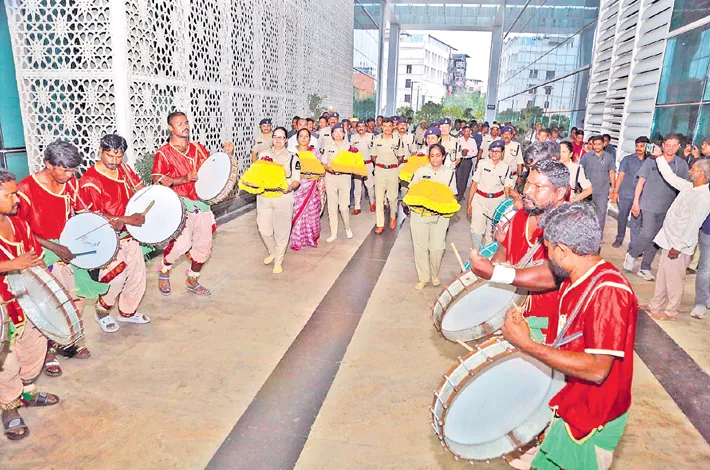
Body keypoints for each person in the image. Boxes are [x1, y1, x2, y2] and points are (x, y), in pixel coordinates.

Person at [502, 202, 637, 470]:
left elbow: (597, 370)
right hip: (569, 403)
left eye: (549, 249)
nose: (547, 256)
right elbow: (565, 343)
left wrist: (526, 345)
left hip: (592, 417)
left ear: (563, 250)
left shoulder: (608, 292)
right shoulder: (572, 280)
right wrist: (528, 332)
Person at [468, 158, 569, 342]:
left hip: (549, 325)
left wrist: (496, 273)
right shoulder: (522, 216)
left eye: (538, 187)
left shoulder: (568, 225)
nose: (527, 191)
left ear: (560, 192)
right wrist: (486, 278)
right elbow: (503, 252)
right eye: (527, 183)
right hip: (512, 315)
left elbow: (553, 274)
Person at [17, 140, 92, 377]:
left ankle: (66, 341)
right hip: (40, 252)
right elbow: (20, 231)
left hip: (66, 248)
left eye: (73, 171)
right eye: (65, 170)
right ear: (49, 164)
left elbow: (78, 214)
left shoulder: (70, 184)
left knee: (75, 297)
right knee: (51, 303)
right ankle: (48, 352)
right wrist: (54, 247)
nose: (70, 175)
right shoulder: (25, 189)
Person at [0, 168, 61, 441]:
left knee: (34, 351)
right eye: (10, 195)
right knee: (6, 362)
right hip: (2, 309)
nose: (17, 199)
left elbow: (34, 258)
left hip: (28, 302)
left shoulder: (20, 225)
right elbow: (18, 262)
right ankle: (9, 408)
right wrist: (12, 264)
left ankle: (26, 393)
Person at [153, 111, 235, 296]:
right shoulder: (163, 153)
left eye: (186, 122)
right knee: (181, 244)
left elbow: (211, 170)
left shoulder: (198, 148)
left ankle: (192, 279)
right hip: (179, 204)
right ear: (170, 128)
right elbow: (158, 181)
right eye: (180, 123)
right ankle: (165, 269)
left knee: (204, 246)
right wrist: (183, 179)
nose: (185, 126)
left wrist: (227, 155)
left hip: (201, 203)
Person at [78, 134, 150, 332]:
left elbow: (140, 190)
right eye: (110, 156)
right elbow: (93, 217)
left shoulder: (124, 169)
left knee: (137, 275)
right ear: (100, 151)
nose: (114, 161)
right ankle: (102, 311)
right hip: (107, 237)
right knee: (115, 277)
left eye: (119, 156)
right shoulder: (90, 181)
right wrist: (126, 219)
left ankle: (128, 313)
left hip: (130, 233)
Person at [643, 150, 710, 321]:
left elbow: (693, 225)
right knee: (662, 276)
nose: (690, 171)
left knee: (674, 280)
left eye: (693, 169)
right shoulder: (690, 187)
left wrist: (678, 247)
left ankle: (671, 312)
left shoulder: (703, 197)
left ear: (701, 173)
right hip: (669, 240)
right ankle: (655, 305)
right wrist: (659, 157)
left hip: (679, 246)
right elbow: (670, 177)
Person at [624, 134, 689, 281]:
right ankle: (632, 254)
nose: (670, 148)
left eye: (674, 145)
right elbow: (640, 182)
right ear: (663, 145)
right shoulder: (651, 160)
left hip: (667, 207)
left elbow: (683, 188)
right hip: (648, 204)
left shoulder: (681, 165)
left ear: (679, 147)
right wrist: (636, 202)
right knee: (647, 233)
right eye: (668, 145)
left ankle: (645, 267)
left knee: (657, 239)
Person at [409, 144, 457, 290]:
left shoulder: (450, 173)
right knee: (420, 248)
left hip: (440, 217)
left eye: (438, 155)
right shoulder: (421, 171)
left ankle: (434, 274)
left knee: (437, 248)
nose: (435, 159)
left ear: (443, 156)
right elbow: (411, 190)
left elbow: (453, 195)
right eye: (432, 156)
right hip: (420, 215)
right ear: (428, 157)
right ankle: (423, 278)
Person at [255, 127, 300, 274]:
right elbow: (256, 174)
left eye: (281, 137)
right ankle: (272, 251)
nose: (278, 140)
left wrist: (289, 188)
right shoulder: (263, 155)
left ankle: (278, 261)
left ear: (286, 140)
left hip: (283, 197)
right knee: (264, 229)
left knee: (282, 232)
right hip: (264, 197)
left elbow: (296, 180)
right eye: (275, 137)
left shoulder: (293, 157)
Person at [467, 140, 514, 247]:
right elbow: (474, 184)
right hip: (480, 200)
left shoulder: (506, 168)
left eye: (497, 151)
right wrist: (469, 203)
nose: (494, 154)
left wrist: (506, 208)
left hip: (496, 202)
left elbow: (507, 189)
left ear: (502, 153)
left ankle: (486, 254)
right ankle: (476, 251)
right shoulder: (482, 164)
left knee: (491, 232)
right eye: (492, 151)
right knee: (476, 230)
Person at [290, 129, 322, 251]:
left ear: (309, 138)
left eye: (306, 136)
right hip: (296, 187)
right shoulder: (292, 152)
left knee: (311, 213)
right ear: (297, 138)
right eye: (301, 136)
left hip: (311, 187)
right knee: (296, 212)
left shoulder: (314, 152)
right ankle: (297, 241)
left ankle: (311, 237)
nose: (303, 138)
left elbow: (319, 170)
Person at [612, 136, 647, 249]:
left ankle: (633, 245)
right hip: (625, 193)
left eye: (642, 146)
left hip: (641, 196)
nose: (638, 148)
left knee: (636, 221)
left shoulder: (650, 161)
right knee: (622, 217)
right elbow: (620, 176)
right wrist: (615, 191)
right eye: (637, 146)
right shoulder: (627, 159)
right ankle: (619, 239)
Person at [371, 118, 405, 234]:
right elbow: (373, 156)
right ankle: (380, 224)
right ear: (381, 127)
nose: (387, 128)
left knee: (392, 197)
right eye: (385, 126)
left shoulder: (398, 140)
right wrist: (380, 165)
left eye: (389, 126)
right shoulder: (376, 139)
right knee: (379, 198)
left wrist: (393, 165)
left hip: (393, 170)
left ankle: (392, 217)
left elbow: (401, 157)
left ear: (393, 127)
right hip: (380, 170)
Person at [321, 123, 353, 242]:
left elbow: (355, 163)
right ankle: (333, 233)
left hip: (344, 177)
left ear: (344, 134)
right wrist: (328, 168)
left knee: (344, 207)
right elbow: (324, 162)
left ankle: (347, 227)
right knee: (332, 207)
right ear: (332, 135)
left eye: (340, 131)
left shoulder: (350, 147)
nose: (338, 134)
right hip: (331, 178)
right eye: (335, 132)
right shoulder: (328, 146)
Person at [579, 135, 616, 236]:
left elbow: (612, 173)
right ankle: (585, 235)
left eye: (599, 144)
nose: (596, 146)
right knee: (586, 214)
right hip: (587, 191)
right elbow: (580, 170)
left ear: (603, 144)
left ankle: (598, 237)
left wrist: (613, 189)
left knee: (601, 214)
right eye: (594, 144)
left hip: (602, 191)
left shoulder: (609, 157)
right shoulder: (586, 156)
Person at [350, 120, 376, 214]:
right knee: (357, 187)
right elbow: (350, 151)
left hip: (368, 164)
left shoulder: (371, 136)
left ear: (366, 127)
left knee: (370, 186)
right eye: (359, 126)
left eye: (363, 126)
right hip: (357, 165)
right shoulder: (353, 137)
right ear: (356, 128)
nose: (361, 128)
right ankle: (357, 206)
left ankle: (372, 203)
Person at [457, 125, 478, 201]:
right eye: (466, 131)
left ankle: (461, 193)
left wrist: (468, 153)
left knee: (465, 178)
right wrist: (462, 153)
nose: (468, 133)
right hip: (460, 160)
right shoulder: (459, 140)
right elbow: (456, 150)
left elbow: (475, 152)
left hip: (468, 161)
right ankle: (458, 193)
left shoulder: (472, 141)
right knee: (459, 177)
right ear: (463, 132)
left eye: (469, 131)